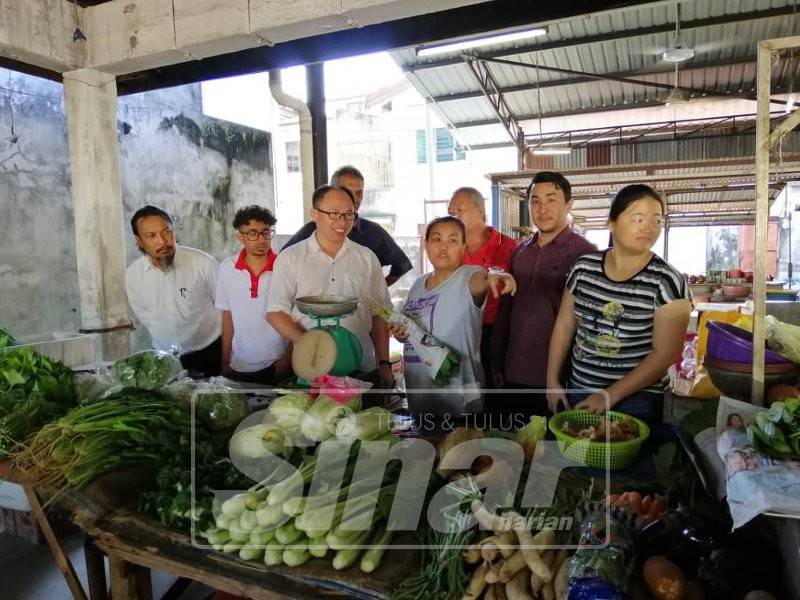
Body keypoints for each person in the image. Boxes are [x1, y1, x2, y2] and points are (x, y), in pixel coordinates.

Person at [546, 184, 691, 424]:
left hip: (637, 400)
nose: (648, 227)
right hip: (580, 389)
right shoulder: (584, 269)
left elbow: (666, 353)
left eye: (656, 220)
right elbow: (564, 326)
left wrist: (610, 395)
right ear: (611, 222)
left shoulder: (667, 281)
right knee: (576, 456)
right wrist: (552, 381)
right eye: (638, 218)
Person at [388, 216, 516, 420]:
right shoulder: (417, 285)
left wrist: (494, 274)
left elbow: (484, 278)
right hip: (419, 394)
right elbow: (410, 331)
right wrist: (400, 334)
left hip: (460, 399)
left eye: (453, 240)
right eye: (437, 239)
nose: (443, 247)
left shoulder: (469, 276)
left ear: (463, 247)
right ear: (426, 244)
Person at [491, 171, 597, 416]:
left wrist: (560, 378)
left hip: (558, 379)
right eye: (535, 201)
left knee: (550, 449)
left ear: (568, 205)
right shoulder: (520, 252)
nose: (542, 208)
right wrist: (496, 360)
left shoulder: (585, 253)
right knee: (517, 445)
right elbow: (507, 310)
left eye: (551, 200)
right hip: (514, 371)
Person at [267, 185, 394, 388]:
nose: (342, 221)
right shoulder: (291, 258)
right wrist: (308, 344)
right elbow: (275, 312)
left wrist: (384, 363)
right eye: (334, 213)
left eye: (348, 214)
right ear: (315, 214)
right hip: (311, 366)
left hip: (361, 366)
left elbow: (379, 313)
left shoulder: (367, 258)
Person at [125, 205, 222, 376]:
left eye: (166, 231)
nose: (162, 241)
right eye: (151, 236)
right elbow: (145, 316)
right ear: (139, 241)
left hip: (210, 354)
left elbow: (226, 309)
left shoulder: (203, 264)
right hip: (163, 360)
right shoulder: (133, 275)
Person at [282, 165, 412, 286]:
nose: (354, 198)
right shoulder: (311, 229)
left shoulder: (373, 232)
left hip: (359, 309)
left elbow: (401, 265)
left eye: (359, 192)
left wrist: (375, 289)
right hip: (315, 308)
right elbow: (283, 261)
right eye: (347, 192)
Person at [447, 186, 517, 385]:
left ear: (480, 210)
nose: (454, 216)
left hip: (497, 333)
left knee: (495, 391)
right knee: (466, 392)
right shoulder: (452, 250)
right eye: (450, 212)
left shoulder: (508, 246)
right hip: (460, 332)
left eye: (459, 210)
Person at [215, 205, 290, 384]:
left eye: (266, 232)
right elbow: (228, 315)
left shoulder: (284, 267)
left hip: (278, 362)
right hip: (239, 365)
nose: (261, 240)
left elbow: (297, 318)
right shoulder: (227, 268)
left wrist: (287, 360)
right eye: (252, 233)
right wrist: (225, 362)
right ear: (240, 237)